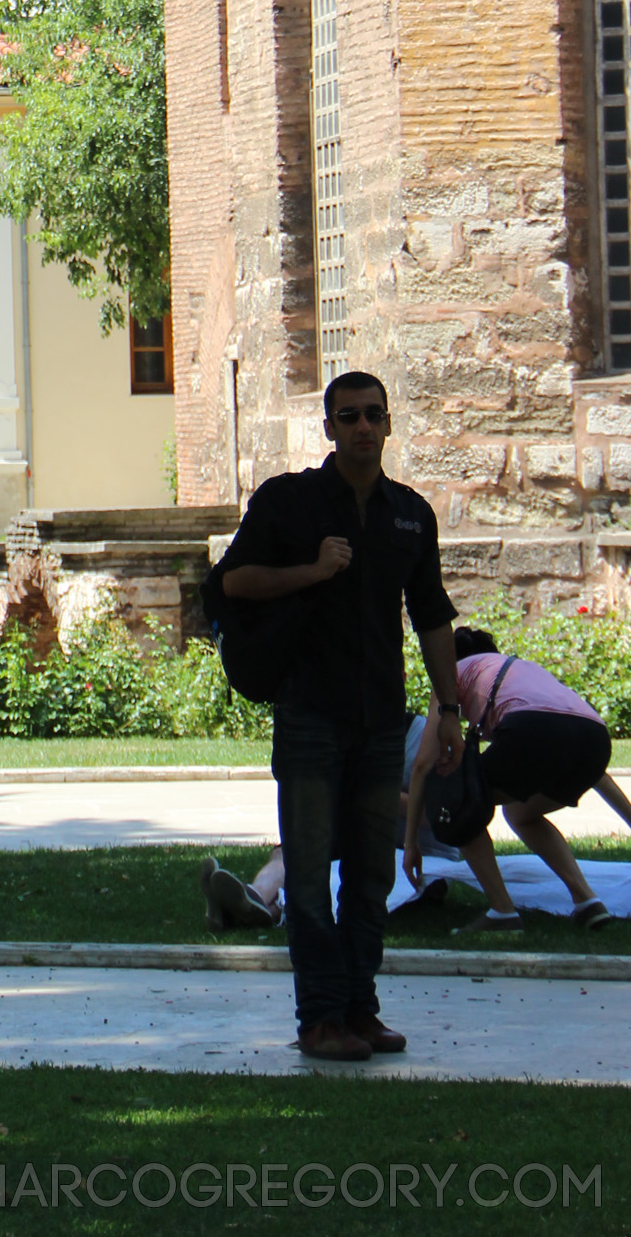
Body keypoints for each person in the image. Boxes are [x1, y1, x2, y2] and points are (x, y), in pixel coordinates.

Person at [217, 370, 461, 1061]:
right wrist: (312, 572)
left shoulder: (408, 514)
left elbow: (433, 614)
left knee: (371, 877)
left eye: (373, 416)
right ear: (328, 427)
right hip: (310, 717)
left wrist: (450, 710)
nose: (362, 427)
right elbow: (234, 581)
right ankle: (320, 1017)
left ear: (388, 425)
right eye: (348, 416)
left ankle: (360, 1007)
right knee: (309, 872)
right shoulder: (289, 503)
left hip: (381, 719)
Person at [405, 626, 631, 931]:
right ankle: (587, 900)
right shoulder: (520, 671)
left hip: (534, 730)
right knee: (521, 813)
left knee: (460, 806)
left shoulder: (451, 674)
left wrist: (410, 845)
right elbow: (593, 769)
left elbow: (423, 764)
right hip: (595, 739)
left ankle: (502, 912)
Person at [200, 709, 450, 930]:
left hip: (422, 862)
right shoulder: (351, 737)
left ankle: (246, 910)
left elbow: (444, 816)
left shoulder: (424, 738)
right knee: (294, 850)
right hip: (367, 843)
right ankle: (254, 897)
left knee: (347, 877)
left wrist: (377, 794)